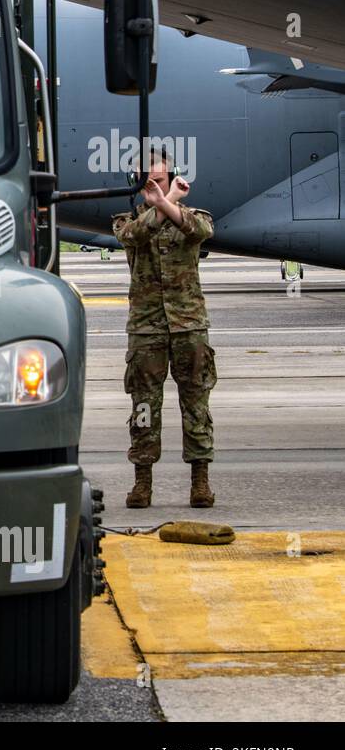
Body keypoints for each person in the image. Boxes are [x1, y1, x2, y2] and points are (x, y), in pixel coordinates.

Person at [111, 148, 218, 508]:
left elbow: (199, 231)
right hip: (146, 329)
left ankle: (200, 483)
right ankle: (143, 483)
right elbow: (132, 238)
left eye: (160, 179)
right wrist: (164, 201)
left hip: (189, 327)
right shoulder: (126, 221)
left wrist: (169, 202)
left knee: (196, 405)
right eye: (147, 181)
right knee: (144, 408)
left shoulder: (191, 215)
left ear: (173, 179)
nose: (154, 186)